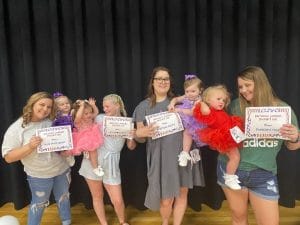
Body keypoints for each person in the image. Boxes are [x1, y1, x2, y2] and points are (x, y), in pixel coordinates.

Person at [217, 66, 299, 225]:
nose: (243, 90)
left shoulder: (283, 110)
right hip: (232, 171)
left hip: (263, 175)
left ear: (260, 83)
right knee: (238, 218)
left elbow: (293, 147)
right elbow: (220, 136)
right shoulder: (235, 106)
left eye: (247, 85)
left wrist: (295, 137)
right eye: (240, 87)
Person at [133, 66, 205, 225]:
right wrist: (140, 133)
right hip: (160, 159)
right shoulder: (142, 107)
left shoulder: (183, 102)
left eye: (166, 79)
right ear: (152, 82)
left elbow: (195, 123)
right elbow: (138, 136)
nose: (163, 82)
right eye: (159, 78)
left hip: (182, 156)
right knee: (166, 200)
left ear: (170, 82)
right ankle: (165, 222)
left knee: (182, 194)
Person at [1, 92, 71, 225]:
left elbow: (62, 145)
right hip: (39, 175)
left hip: (62, 170)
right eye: (42, 104)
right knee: (39, 204)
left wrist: (67, 148)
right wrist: (30, 146)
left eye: (49, 107)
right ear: (32, 104)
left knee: (64, 198)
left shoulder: (53, 121)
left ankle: (67, 222)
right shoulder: (17, 128)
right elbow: (8, 157)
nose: (45, 109)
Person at [79, 94, 136, 225]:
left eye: (107, 106)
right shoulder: (99, 118)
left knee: (117, 199)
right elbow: (84, 127)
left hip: (112, 163)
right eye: (103, 106)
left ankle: (122, 221)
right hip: (93, 162)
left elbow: (131, 147)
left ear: (117, 105)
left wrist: (131, 136)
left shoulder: (127, 122)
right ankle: (103, 223)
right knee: (97, 196)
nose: (104, 109)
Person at [193, 85, 244, 190]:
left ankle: (230, 177)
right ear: (208, 100)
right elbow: (205, 111)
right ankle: (229, 178)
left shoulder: (219, 111)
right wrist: (201, 102)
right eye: (218, 99)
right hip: (223, 137)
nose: (222, 102)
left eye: (223, 100)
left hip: (229, 133)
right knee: (235, 157)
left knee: (234, 157)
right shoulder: (209, 111)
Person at [168, 74, 206, 167]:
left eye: (193, 91)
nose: (189, 93)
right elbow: (176, 99)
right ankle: (185, 153)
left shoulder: (199, 100)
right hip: (185, 118)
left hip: (195, 121)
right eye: (187, 91)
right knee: (183, 132)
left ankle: (185, 153)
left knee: (187, 132)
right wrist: (171, 104)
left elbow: (192, 113)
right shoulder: (186, 96)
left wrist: (179, 110)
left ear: (200, 91)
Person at [71, 98, 104, 177]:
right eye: (86, 113)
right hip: (85, 138)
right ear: (80, 113)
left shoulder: (90, 117)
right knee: (93, 151)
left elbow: (96, 112)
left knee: (92, 152)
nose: (89, 115)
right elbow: (78, 116)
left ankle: (87, 154)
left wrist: (93, 106)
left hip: (92, 135)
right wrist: (82, 106)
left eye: (90, 112)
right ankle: (95, 167)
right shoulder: (78, 120)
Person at [52, 91, 75, 167]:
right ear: (56, 107)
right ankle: (66, 156)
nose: (66, 105)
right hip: (61, 136)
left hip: (72, 134)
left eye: (67, 103)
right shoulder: (57, 116)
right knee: (63, 148)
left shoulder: (72, 112)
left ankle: (69, 156)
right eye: (62, 104)